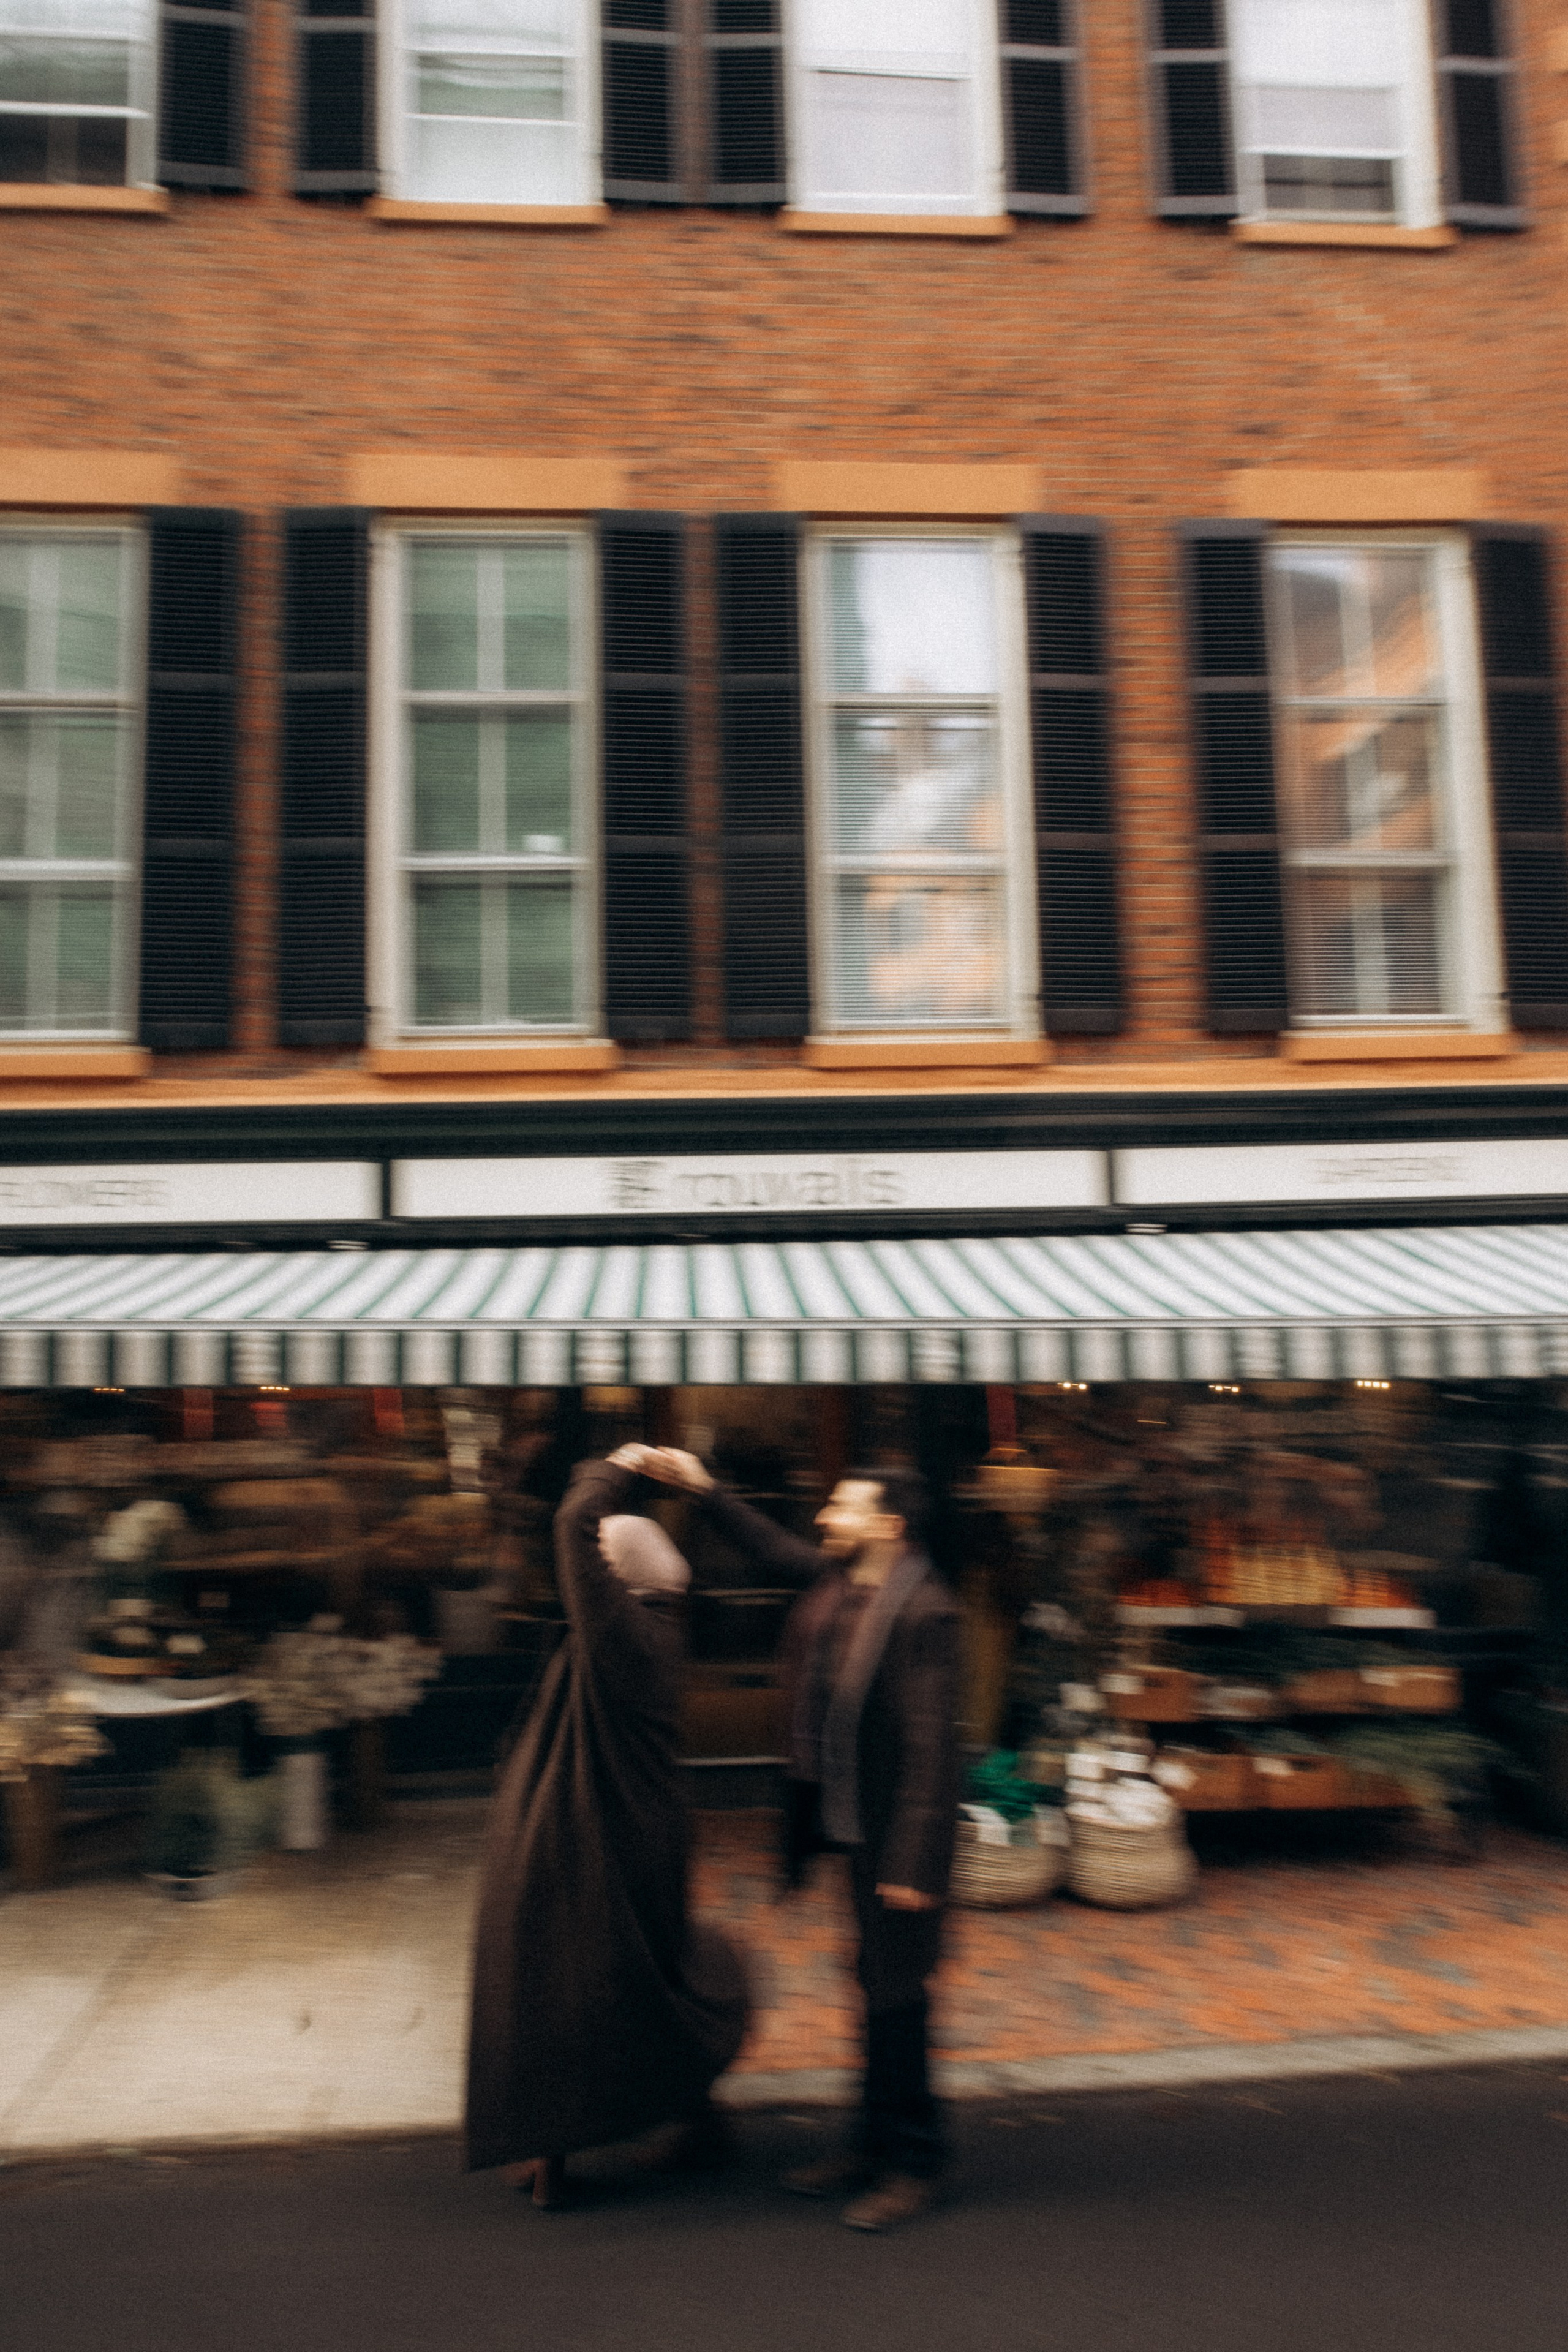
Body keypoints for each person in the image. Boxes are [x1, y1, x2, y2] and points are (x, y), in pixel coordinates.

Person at [635, 1445, 961, 2233]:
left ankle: (912, 2162)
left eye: (841, 1506)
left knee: (897, 1998)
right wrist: (704, 1487)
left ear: (885, 1525)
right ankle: (867, 2144)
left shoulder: (925, 1612)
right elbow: (772, 1548)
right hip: (855, 1831)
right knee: (870, 1987)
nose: (824, 1517)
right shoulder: (847, 1581)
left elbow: (932, 1751)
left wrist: (913, 1864)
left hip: (896, 1843)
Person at [464, 1449, 750, 2207]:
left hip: (590, 1844)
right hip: (640, 1838)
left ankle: (549, 2162)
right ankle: (699, 2123)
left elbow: (569, 1526)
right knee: (651, 1979)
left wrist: (612, 1467)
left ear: (619, 1581)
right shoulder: (657, 1631)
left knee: (564, 1990)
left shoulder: (623, 1639)